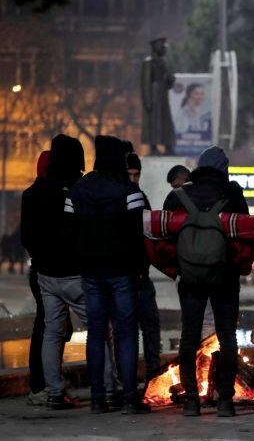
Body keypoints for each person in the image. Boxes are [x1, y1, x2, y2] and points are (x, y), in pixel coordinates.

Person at [163, 145, 249, 417]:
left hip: (190, 278)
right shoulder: (232, 193)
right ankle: (225, 401)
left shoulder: (179, 195)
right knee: (227, 337)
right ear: (224, 169)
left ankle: (190, 401)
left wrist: (181, 267)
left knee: (189, 336)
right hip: (224, 277)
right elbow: (246, 233)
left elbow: (166, 238)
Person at [69, 135, 150, 414]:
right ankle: (129, 398)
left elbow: (70, 229)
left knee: (96, 333)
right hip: (122, 272)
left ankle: (97, 399)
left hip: (90, 272)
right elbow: (139, 235)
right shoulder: (130, 192)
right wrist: (140, 269)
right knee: (126, 334)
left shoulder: (78, 190)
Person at [20, 145, 77, 408]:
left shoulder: (29, 195)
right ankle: (46, 385)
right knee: (54, 329)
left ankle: (47, 387)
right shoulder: (64, 193)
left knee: (49, 327)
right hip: (64, 270)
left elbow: (26, 237)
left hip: (42, 270)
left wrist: (40, 259)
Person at [126, 153, 162, 382]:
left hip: (140, 275)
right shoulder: (129, 198)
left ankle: (153, 376)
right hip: (127, 277)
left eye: (136, 174)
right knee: (130, 332)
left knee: (150, 328)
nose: (133, 179)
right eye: (130, 174)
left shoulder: (140, 198)